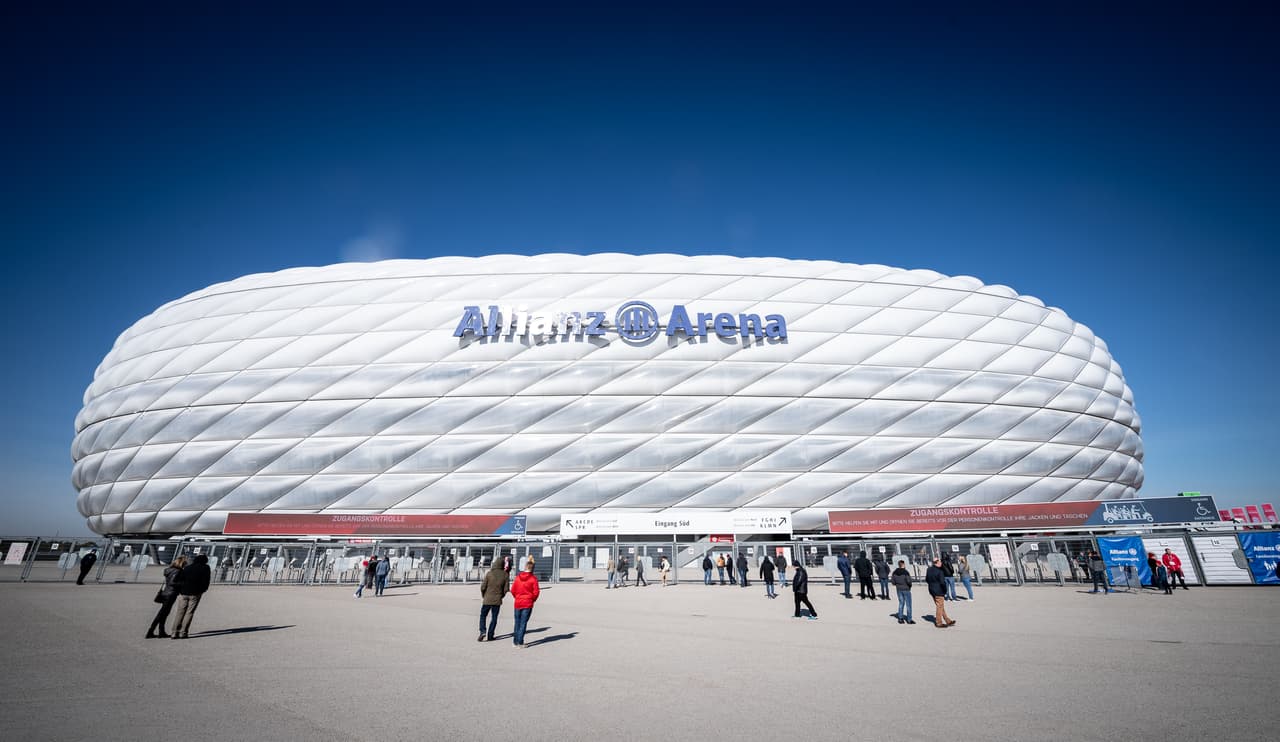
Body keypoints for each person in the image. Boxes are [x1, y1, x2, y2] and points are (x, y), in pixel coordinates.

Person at [171, 554, 211, 639]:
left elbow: (180, 579)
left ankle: (174, 632)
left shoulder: (188, 567)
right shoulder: (205, 568)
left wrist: (181, 589)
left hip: (184, 592)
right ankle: (183, 632)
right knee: (189, 612)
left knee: (180, 612)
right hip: (195, 593)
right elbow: (206, 581)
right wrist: (203, 590)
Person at [147, 556, 186, 638]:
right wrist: (183, 584)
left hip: (165, 592)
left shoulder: (168, 570)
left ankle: (161, 631)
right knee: (161, 614)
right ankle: (150, 631)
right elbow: (173, 582)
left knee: (164, 613)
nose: (185, 565)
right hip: (171, 594)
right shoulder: (178, 571)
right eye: (184, 564)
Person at [510, 561, 540, 648]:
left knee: (517, 622)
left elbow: (513, 590)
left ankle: (515, 641)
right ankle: (520, 641)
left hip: (518, 602)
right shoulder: (533, 579)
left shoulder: (518, 578)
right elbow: (536, 592)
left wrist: (517, 597)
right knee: (523, 623)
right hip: (527, 602)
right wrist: (532, 599)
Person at [478, 556, 509, 642]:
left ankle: (482, 631)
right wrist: (501, 595)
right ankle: (490, 634)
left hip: (487, 598)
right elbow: (506, 589)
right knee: (494, 618)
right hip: (497, 600)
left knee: (483, 616)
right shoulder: (505, 575)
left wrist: (483, 595)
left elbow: (483, 587)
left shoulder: (489, 573)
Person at [926, 557, 954, 629]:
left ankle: (947, 620)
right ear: (937, 562)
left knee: (940, 606)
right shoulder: (940, 571)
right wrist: (945, 590)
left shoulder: (929, 569)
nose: (941, 563)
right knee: (939, 606)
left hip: (932, 590)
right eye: (940, 562)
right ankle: (939, 622)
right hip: (939, 591)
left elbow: (927, 580)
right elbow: (942, 583)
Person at [891, 559, 915, 624]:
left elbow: (893, 582)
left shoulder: (894, 572)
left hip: (899, 589)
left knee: (901, 603)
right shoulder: (906, 572)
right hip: (906, 589)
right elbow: (909, 581)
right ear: (903, 564)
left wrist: (898, 584)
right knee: (908, 605)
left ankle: (900, 618)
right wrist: (910, 585)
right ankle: (909, 619)